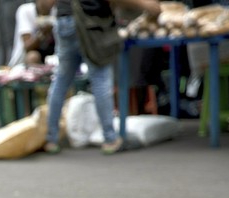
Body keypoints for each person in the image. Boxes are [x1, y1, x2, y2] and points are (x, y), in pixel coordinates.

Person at [43, 0, 161, 155]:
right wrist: (145, 4)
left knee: (62, 80)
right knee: (100, 79)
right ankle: (110, 139)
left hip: (64, 20)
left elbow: (45, 4)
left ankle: (51, 139)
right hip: (88, 23)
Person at [8, 0, 56, 67]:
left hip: (52, 53)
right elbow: (27, 46)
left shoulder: (56, 11)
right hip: (28, 58)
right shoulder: (25, 10)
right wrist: (42, 34)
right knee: (33, 56)